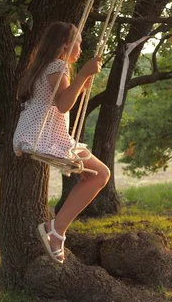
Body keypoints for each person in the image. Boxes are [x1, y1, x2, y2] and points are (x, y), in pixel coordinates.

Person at [13, 21, 110, 264]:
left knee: (97, 174)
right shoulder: (58, 65)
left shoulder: (44, 66)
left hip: (35, 131)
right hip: (46, 136)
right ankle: (55, 230)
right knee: (100, 175)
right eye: (78, 42)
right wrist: (85, 73)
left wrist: (79, 83)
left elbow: (60, 99)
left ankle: (56, 229)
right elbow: (64, 104)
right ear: (66, 45)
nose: (81, 47)